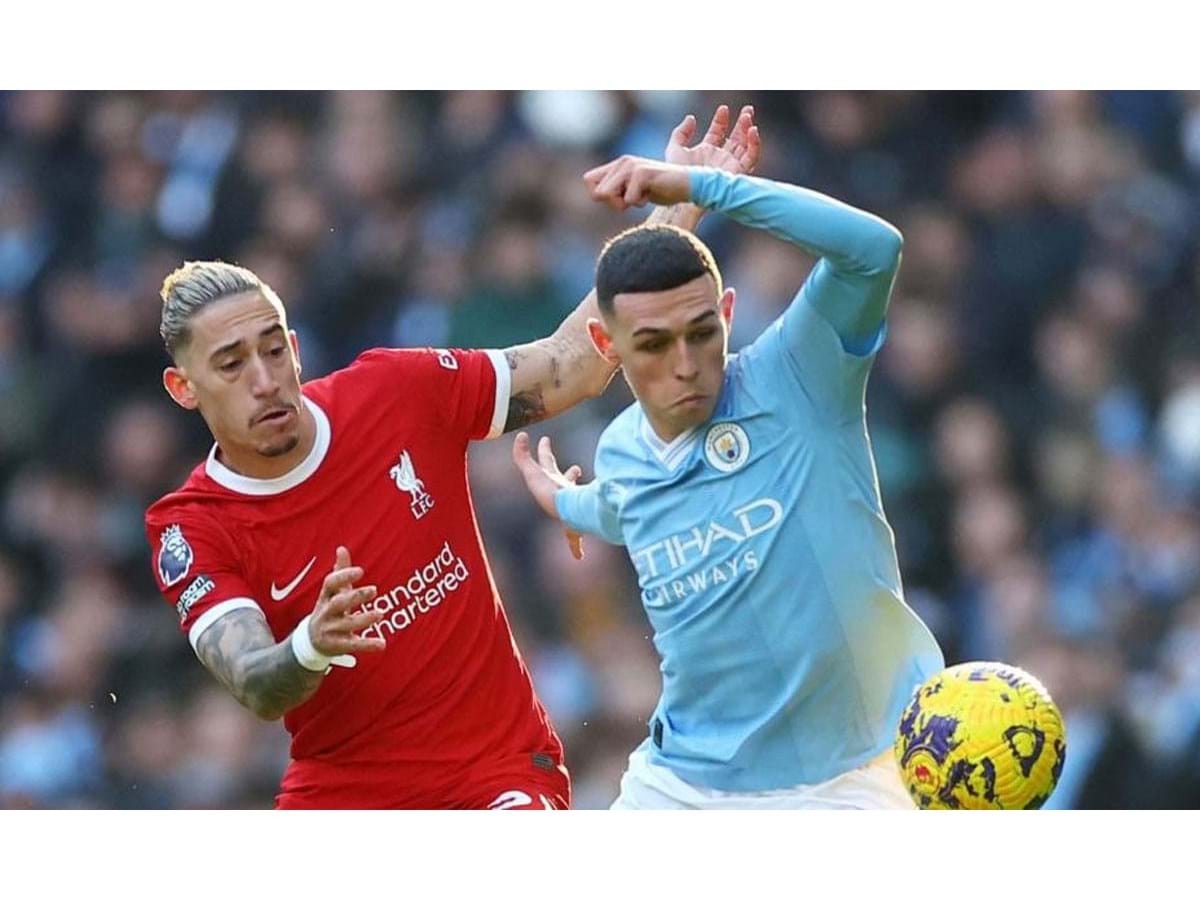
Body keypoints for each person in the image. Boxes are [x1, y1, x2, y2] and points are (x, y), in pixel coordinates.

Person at [143, 106, 761, 810]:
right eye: (231, 364)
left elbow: (568, 365)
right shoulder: (191, 526)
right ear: (184, 388)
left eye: (274, 347)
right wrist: (311, 643)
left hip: (494, 776)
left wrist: (678, 210)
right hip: (344, 796)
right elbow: (253, 678)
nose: (264, 377)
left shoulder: (393, 392)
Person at [511, 154, 945, 809]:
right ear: (608, 344)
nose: (685, 365)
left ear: (729, 313)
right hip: (682, 785)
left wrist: (705, 189)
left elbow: (875, 250)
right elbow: (618, 507)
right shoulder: (621, 451)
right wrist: (562, 502)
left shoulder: (799, 374)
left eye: (700, 332)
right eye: (654, 344)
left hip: (850, 778)